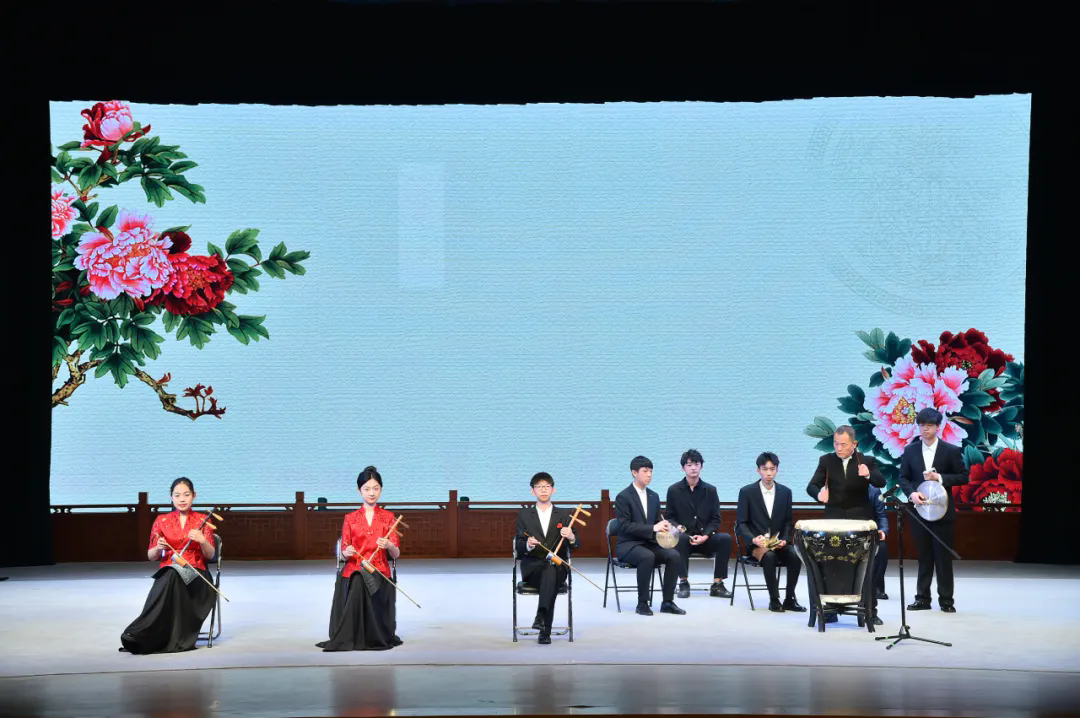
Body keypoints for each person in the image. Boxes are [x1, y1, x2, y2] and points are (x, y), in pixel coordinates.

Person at [119, 477, 217, 654]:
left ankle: (143, 630)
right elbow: (151, 556)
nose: (182, 499)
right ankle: (148, 632)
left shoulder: (203, 520)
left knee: (173, 574)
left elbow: (211, 556)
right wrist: (158, 547)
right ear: (171, 497)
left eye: (186, 494)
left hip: (196, 575)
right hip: (169, 575)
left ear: (194, 496)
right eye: (177, 495)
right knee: (172, 573)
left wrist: (202, 540)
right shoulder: (161, 520)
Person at [319, 466, 403, 651]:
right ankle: (355, 636)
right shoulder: (350, 518)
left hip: (379, 570)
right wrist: (346, 552)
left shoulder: (389, 518)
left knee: (361, 579)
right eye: (367, 489)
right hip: (354, 569)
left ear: (381, 489)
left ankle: (356, 637)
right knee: (358, 578)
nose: (371, 493)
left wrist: (389, 545)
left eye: (376, 488)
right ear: (359, 491)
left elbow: (396, 554)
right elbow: (343, 553)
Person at [898, 408, 969, 613]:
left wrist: (939, 478)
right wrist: (911, 494)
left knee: (943, 558)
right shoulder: (910, 450)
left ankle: (946, 600)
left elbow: (963, 477)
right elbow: (903, 477)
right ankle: (922, 598)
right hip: (919, 511)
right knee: (924, 556)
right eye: (921, 425)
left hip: (943, 512)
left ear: (938, 427)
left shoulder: (950, 450)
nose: (925, 429)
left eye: (929, 425)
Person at [513, 472, 581, 644]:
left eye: (546, 487)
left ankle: (541, 619)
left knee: (551, 569)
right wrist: (528, 544)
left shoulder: (564, 515)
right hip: (533, 567)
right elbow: (519, 546)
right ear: (533, 491)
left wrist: (571, 537)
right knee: (549, 572)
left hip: (558, 566)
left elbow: (576, 545)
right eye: (539, 487)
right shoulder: (524, 515)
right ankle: (544, 627)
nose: (543, 490)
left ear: (553, 490)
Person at [734, 452, 805, 612]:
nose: (768, 473)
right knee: (769, 556)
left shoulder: (785, 492)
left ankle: (789, 599)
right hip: (757, 545)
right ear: (758, 470)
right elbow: (741, 524)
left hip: (778, 544)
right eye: (765, 469)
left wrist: (785, 539)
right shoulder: (747, 492)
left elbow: (787, 522)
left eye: (772, 469)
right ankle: (774, 600)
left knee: (795, 555)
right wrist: (753, 539)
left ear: (777, 470)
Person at [614, 456, 684, 616]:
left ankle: (668, 602)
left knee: (673, 555)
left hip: (649, 543)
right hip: (629, 545)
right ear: (634, 472)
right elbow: (625, 526)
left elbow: (657, 521)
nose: (649, 475)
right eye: (645, 471)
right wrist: (653, 527)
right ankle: (642, 603)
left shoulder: (654, 496)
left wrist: (664, 525)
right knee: (647, 556)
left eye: (651, 471)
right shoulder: (623, 497)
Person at [664, 449, 733, 599]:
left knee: (725, 538)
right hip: (684, 539)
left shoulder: (710, 490)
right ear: (683, 468)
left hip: (705, 539)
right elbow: (669, 517)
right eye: (689, 465)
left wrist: (706, 536)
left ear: (701, 466)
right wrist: (679, 529)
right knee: (680, 538)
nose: (693, 468)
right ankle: (683, 582)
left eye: (696, 464)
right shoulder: (674, 490)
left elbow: (716, 519)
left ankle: (717, 584)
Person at [807, 426, 886, 520]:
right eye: (836, 444)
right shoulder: (826, 461)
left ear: (854, 444)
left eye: (843, 444)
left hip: (860, 518)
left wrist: (868, 474)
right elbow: (811, 486)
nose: (839, 448)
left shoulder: (866, 461)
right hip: (834, 518)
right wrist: (819, 495)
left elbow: (881, 483)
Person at [870, 484, 889, 601]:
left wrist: (883, 530)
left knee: (882, 547)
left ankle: (877, 587)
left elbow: (881, 515)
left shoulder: (874, 491)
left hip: (870, 530)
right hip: (850, 530)